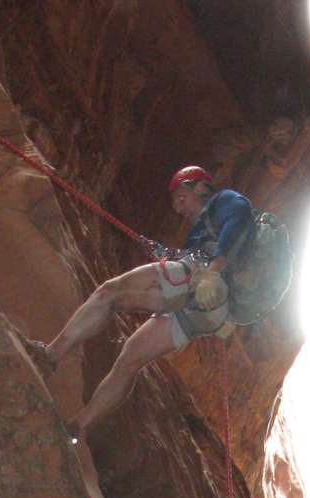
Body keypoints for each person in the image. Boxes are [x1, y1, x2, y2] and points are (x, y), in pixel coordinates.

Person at [30, 165, 253, 441]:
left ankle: (49, 356)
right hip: (208, 312)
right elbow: (202, 251)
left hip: (203, 283)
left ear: (200, 187)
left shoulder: (225, 200)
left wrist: (213, 271)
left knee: (110, 292)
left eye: (181, 198)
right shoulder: (202, 230)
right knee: (131, 359)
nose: (178, 208)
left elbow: (239, 221)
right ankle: (76, 428)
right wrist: (166, 253)